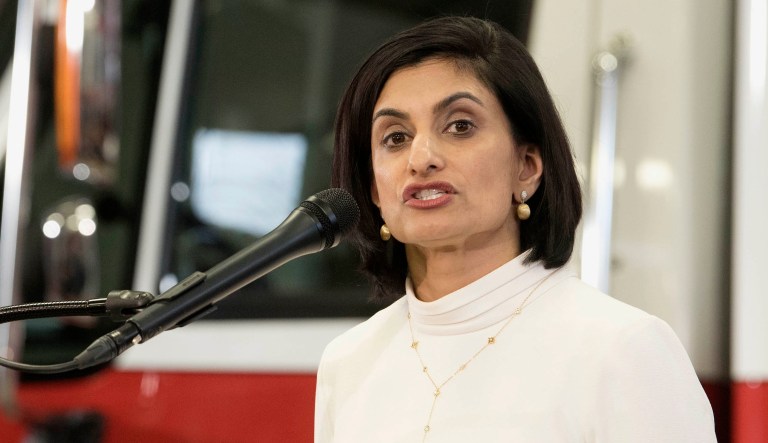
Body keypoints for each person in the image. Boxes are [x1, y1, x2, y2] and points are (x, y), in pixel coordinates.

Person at [315, 16, 716, 442]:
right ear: (374, 190)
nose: (422, 157)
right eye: (395, 137)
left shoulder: (623, 349)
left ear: (526, 168)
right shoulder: (349, 361)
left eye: (460, 126)